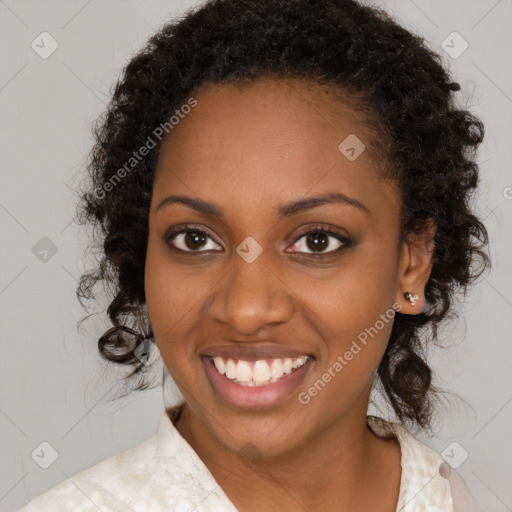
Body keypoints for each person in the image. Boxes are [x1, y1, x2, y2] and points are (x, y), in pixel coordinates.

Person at [18, 0, 490, 510]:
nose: (245, 311)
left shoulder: (450, 498)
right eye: (195, 239)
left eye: (317, 241)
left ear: (411, 262)